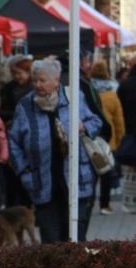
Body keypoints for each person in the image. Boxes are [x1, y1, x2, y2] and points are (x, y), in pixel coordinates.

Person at [8, 58, 103, 242]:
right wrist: (23, 170)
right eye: (35, 80)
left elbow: (96, 122)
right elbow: (14, 141)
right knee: (50, 239)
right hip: (42, 182)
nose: (37, 85)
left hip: (76, 180)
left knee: (76, 235)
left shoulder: (74, 98)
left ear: (56, 80)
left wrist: (84, 126)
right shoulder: (26, 105)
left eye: (42, 80)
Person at [89, 60, 126, 213]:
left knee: (91, 173)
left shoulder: (88, 89)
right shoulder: (112, 93)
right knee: (106, 173)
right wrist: (119, 139)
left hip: (90, 137)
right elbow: (118, 120)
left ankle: (88, 202)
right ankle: (105, 204)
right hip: (107, 137)